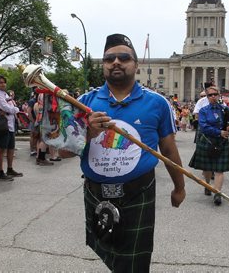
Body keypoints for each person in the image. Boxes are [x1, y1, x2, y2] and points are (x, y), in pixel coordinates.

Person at [61, 33, 185, 272]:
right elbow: (64, 153)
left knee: (134, 265)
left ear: (135, 64)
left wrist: (179, 187)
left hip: (138, 194)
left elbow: (169, 150)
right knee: (113, 259)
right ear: (103, 66)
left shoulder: (158, 103)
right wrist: (88, 133)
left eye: (124, 57)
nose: (116, 62)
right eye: (109, 59)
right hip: (96, 194)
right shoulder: (84, 102)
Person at [189, 85, 229, 205]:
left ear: (218, 96)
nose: (213, 97)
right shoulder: (204, 111)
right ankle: (207, 184)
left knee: (219, 170)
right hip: (207, 140)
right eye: (210, 95)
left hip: (221, 142)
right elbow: (204, 126)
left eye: (215, 94)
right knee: (207, 169)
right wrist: (219, 132)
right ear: (207, 97)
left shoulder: (225, 109)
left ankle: (217, 193)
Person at [0, 75, 23, 181]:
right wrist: (15, 109)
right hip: (1, 124)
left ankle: (10, 169)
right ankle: (0, 172)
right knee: (1, 149)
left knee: (11, 148)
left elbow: (10, 105)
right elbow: (4, 107)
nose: (3, 84)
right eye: (0, 82)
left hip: (9, 123)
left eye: (4, 82)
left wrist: (11, 108)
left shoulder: (4, 93)